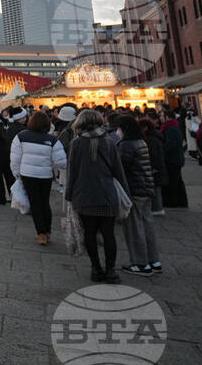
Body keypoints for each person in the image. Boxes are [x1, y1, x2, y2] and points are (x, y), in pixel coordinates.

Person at [65, 110, 127, 284]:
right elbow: (118, 171)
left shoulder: (76, 143)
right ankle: (111, 270)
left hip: (83, 194)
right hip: (107, 194)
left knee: (89, 232)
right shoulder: (108, 142)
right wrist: (125, 193)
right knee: (109, 233)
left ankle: (96, 268)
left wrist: (69, 196)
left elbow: (72, 172)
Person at [10, 112, 67, 245]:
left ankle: (40, 233)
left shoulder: (21, 137)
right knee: (45, 203)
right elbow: (61, 162)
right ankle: (48, 232)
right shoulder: (53, 140)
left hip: (27, 175)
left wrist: (17, 174)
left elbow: (15, 158)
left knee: (35, 204)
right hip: (45, 176)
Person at [116, 116, 161, 276]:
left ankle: (140, 263)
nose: (117, 131)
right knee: (147, 225)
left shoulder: (126, 145)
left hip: (133, 189)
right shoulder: (141, 142)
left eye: (119, 128)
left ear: (124, 129)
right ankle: (154, 260)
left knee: (134, 228)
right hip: (146, 188)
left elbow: (120, 168)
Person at [140, 118, 167, 215]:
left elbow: (152, 155)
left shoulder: (150, 139)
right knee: (156, 187)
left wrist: (152, 167)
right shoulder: (155, 137)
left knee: (155, 187)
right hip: (158, 167)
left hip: (155, 168)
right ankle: (158, 207)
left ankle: (157, 208)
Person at [160, 113, 188, 208]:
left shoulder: (171, 128)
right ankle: (181, 202)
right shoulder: (174, 126)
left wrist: (162, 150)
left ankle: (173, 202)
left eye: (162, 116)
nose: (161, 118)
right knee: (177, 181)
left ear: (168, 117)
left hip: (173, 159)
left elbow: (171, 145)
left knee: (173, 182)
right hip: (176, 158)